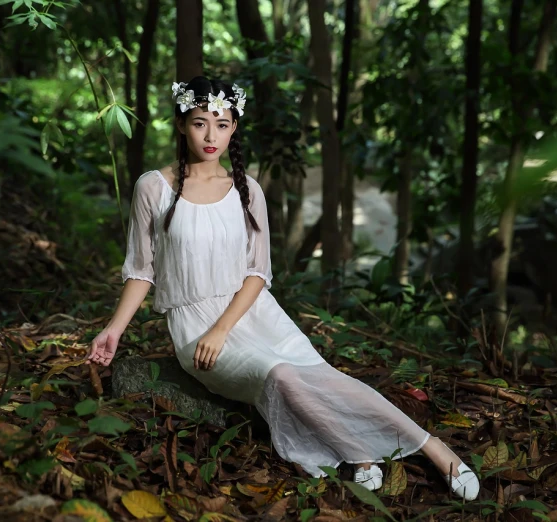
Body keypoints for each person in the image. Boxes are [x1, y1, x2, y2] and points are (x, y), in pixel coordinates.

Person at [85, 76, 479, 499]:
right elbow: (142, 271)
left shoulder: (247, 190)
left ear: (234, 127)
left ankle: (432, 448)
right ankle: (358, 450)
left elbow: (258, 272)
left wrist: (225, 328)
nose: (211, 134)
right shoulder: (154, 187)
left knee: (319, 375)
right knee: (281, 374)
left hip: (254, 313)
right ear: (182, 125)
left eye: (222, 123)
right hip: (195, 327)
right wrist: (115, 329)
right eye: (200, 123)